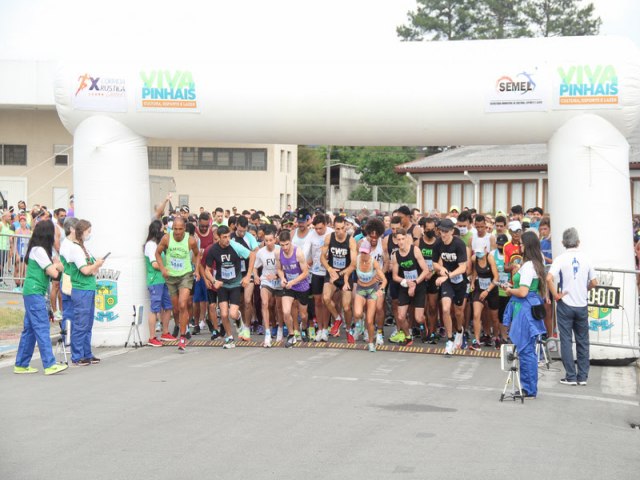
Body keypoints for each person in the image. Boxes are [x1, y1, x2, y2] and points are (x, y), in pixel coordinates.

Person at [14, 221, 68, 375]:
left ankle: (21, 364)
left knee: (30, 329)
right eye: (55, 234)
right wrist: (57, 266)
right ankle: (50, 364)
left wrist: (57, 265)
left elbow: (56, 269)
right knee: (42, 327)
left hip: (34, 292)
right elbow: (54, 273)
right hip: (35, 292)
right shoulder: (39, 250)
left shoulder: (40, 250)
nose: (56, 236)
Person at [546, 228, 597, 386]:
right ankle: (582, 376)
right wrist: (585, 288)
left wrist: (556, 295)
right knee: (583, 341)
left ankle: (570, 376)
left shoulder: (561, 259)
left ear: (563, 243)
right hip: (581, 303)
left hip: (565, 303)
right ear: (578, 242)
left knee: (566, 340)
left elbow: (549, 278)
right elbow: (594, 282)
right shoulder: (586, 258)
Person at [503, 230, 547, 398]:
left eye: (521, 244)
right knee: (528, 348)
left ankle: (528, 388)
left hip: (525, 309)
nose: (518, 246)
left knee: (525, 349)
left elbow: (522, 292)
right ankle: (529, 387)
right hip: (530, 305)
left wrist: (508, 290)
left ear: (527, 246)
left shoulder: (528, 266)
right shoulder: (537, 261)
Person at [204, 225, 255, 349]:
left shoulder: (235, 246)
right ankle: (229, 338)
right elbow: (207, 269)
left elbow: (252, 255)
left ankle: (238, 320)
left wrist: (248, 276)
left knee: (232, 314)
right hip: (222, 284)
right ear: (219, 238)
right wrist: (213, 280)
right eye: (224, 237)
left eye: (228, 236)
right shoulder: (213, 250)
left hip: (235, 284)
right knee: (224, 314)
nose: (227, 239)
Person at [155, 216, 201, 353]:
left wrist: (197, 270)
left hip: (185, 275)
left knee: (182, 304)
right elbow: (157, 253)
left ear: (184, 229)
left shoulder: (190, 240)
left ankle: (182, 336)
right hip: (171, 277)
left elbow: (198, 255)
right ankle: (179, 325)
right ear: (172, 228)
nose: (178, 232)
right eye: (175, 229)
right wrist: (163, 268)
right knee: (175, 308)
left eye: (180, 229)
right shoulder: (166, 238)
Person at [65, 219, 105, 366]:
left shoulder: (84, 248)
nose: (90, 234)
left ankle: (86, 353)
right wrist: (96, 264)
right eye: (88, 231)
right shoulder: (75, 249)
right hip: (81, 289)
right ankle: (77, 356)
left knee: (87, 324)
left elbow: (92, 270)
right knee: (81, 324)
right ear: (81, 232)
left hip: (88, 288)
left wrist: (96, 265)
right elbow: (85, 270)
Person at [433, 218, 469, 355]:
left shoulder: (459, 244)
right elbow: (434, 263)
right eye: (441, 231)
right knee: (446, 308)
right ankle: (449, 340)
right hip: (446, 280)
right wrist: (440, 269)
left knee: (458, 312)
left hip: (459, 280)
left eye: (446, 231)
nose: (443, 234)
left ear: (452, 231)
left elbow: (463, 267)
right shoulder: (438, 243)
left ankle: (459, 331)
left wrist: (447, 275)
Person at [390, 228, 430, 345]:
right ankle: (408, 337)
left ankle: (423, 324)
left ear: (407, 238)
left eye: (403, 239)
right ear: (396, 241)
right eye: (399, 240)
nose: (401, 242)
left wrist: (415, 283)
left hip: (419, 284)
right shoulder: (396, 255)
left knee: (418, 318)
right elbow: (395, 276)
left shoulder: (415, 250)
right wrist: (406, 282)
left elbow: (425, 270)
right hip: (405, 285)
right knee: (401, 316)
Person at [321, 216, 357, 338]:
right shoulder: (329, 238)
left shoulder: (351, 241)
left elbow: (353, 264)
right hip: (332, 273)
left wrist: (341, 273)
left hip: (345, 275)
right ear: (333, 228)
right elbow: (322, 257)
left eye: (342, 228)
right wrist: (330, 269)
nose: (340, 231)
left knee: (347, 306)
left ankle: (348, 329)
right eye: (337, 229)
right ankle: (337, 318)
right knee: (325, 298)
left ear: (345, 228)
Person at [144, 220, 176, 347]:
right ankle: (152, 337)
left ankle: (165, 332)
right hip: (155, 280)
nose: (164, 231)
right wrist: (167, 269)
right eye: (162, 229)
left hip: (163, 280)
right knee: (155, 308)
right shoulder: (151, 245)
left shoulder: (159, 245)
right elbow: (154, 264)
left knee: (168, 306)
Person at [277, 230, 310, 347]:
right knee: (286, 311)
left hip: (301, 285)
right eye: (282, 245)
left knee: (304, 315)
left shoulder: (298, 253)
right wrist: (282, 278)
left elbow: (306, 272)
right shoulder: (278, 253)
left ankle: (304, 328)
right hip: (289, 286)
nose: (285, 247)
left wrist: (294, 281)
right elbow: (279, 269)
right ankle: (291, 335)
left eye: (287, 244)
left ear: (290, 242)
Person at [353, 239, 387, 352]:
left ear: (369, 252)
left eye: (365, 253)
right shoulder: (356, 260)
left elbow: (384, 280)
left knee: (370, 320)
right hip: (361, 289)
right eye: (361, 252)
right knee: (357, 313)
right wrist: (345, 280)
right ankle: (360, 325)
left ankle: (371, 343)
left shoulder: (374, 262)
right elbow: (348, 271)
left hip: (372, 290)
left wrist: (381, 289)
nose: (363, 255)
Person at [254, 228, 283, 347]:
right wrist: (256, 276)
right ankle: (267, 333)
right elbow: (255, 267)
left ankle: (280, 328)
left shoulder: (280, 250)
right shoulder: (261, 252)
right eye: (266, 240)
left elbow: (286, 268)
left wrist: (276, 276)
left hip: (279, 280)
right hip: (266, 280)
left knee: (279, 307)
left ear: (275, 239)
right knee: (265, 304)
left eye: (271, 240)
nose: (269, 243)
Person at [469, 248, 499, 351]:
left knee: (494, 317)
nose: (479, 254)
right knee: (476, 314)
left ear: (486, 250)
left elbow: (496, 277)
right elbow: (474, 271)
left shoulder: (490, 258)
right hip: (479, 288)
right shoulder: (474, 258)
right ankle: (477, 342)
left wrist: (487, 290)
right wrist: (472, 282)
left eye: (480, 252)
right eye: (477, 252)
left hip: (491, 289)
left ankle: (496, 337)